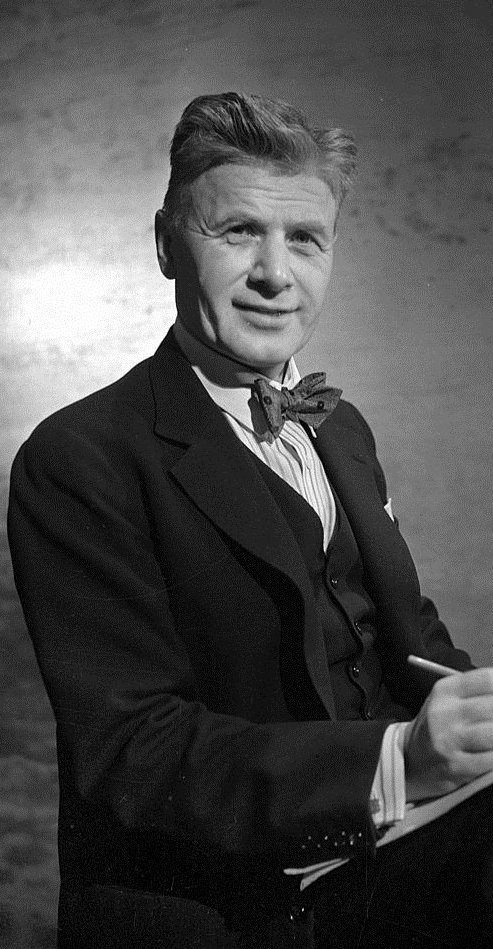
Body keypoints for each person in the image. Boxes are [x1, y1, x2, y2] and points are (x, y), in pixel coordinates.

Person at [7, 92, 493, 949]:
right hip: (234, 904)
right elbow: (132, 749)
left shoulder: (340, 425)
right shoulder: (76, 456)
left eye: (304, 238)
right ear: (165, 243)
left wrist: (474, 716)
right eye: (238, 232)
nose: (276, 274)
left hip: (393, 858)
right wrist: (398, 760)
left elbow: (404, 635)